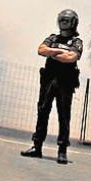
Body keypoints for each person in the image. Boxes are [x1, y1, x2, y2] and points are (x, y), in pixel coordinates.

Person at [21, 9, 83, 164]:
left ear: (73, 23)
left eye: (67, 20)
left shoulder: (76, 42)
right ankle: (37, 147)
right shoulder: (52, 38)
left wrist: (52, 53)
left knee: (63, 115)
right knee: (42, 111)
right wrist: (58, 51)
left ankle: (62, 150)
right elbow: (41, 50)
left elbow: (71, 57)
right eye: (62, 19)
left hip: (65, 81)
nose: (63, 22)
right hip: (49, 79)